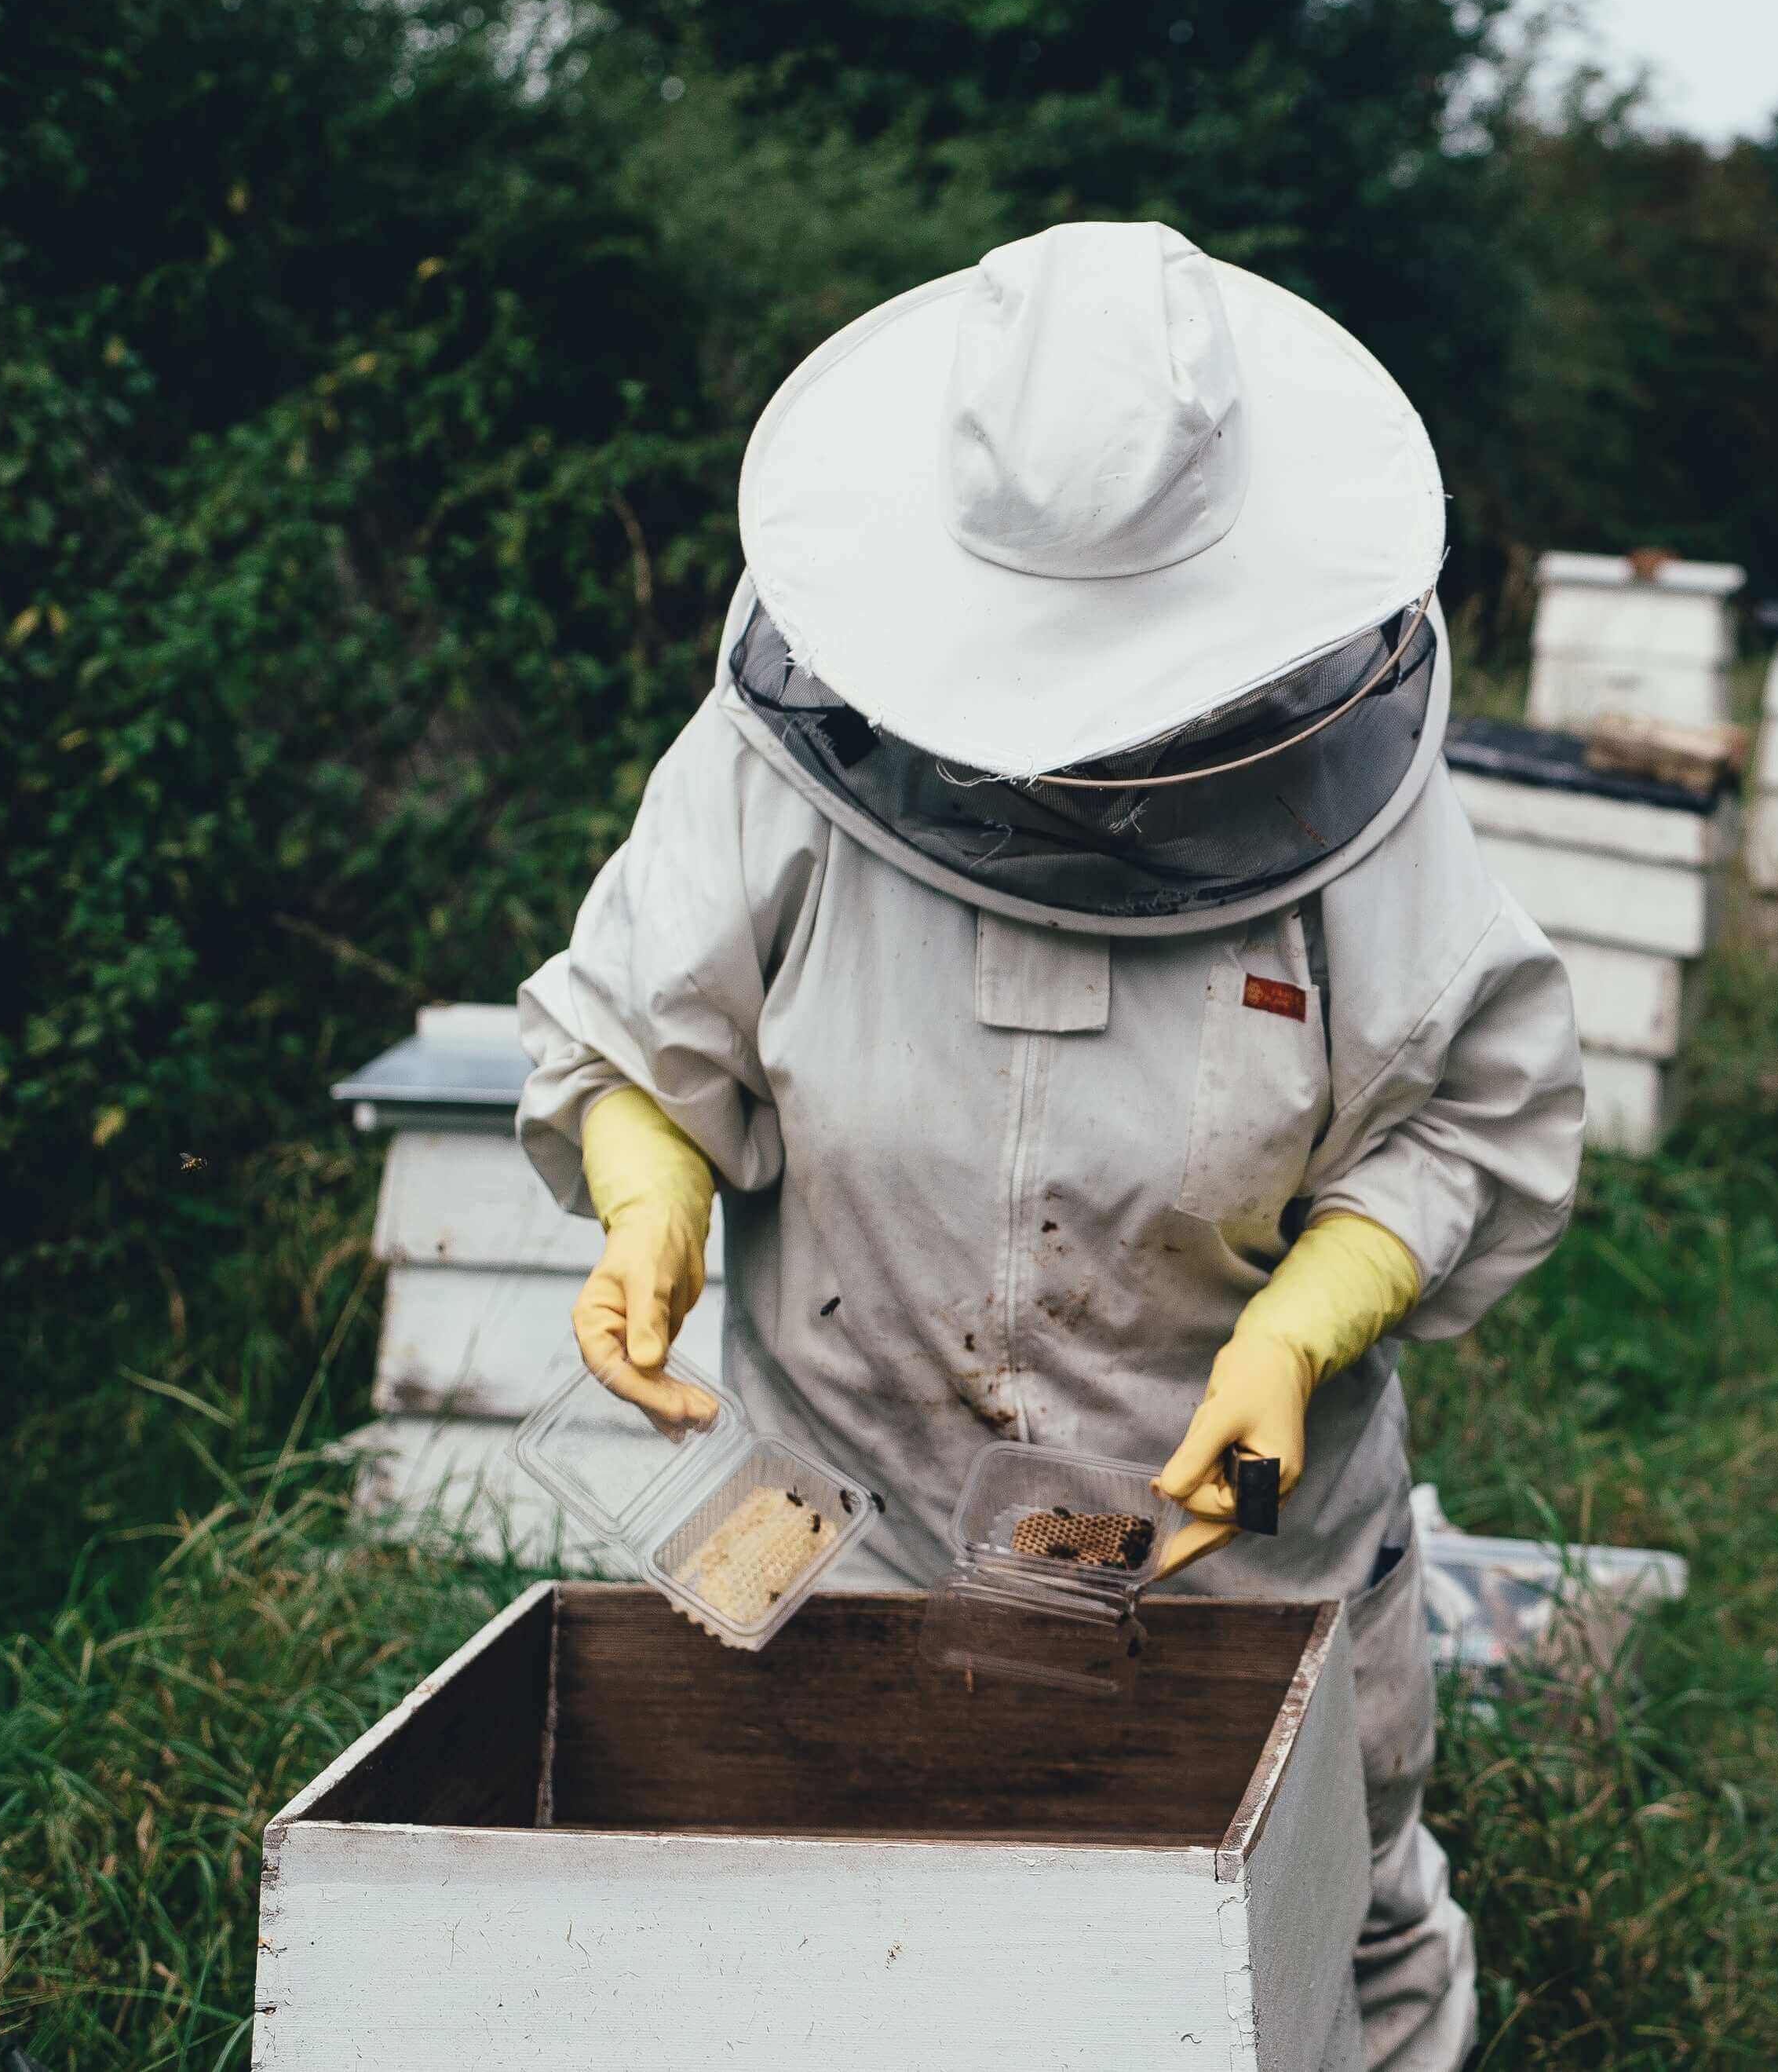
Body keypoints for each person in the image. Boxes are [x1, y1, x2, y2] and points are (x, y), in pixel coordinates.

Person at [513, 220, 1584, 2072]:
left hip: (1222, 1546)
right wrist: (647, 1193)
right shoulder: (780, 751)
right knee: (867, 1966)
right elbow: (640, 1029)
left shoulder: (1365, 815)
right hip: (837, 1521)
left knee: (1322, 1939)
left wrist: (1296, 1330)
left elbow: (1461, 1120)